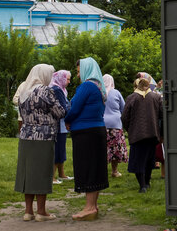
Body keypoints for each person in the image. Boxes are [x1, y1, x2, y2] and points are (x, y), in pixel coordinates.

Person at [14, 64, 66, 222]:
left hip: (25, 136)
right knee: (42, 173)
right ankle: (41, 212)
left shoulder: (24, 91)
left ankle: (28, 211)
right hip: (43, 137)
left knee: (27, 173)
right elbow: (60, 112)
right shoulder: (45, 91)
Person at [64, 57, 108, 221]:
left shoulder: (87, 86)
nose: (77, 75)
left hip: (86, 133)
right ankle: (93, 206)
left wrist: (67, 119)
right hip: (96, 131)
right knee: (95, 168)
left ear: (86, 70)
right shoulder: (98, 86)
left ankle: (89, 208)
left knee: (88, 168)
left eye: (78, 71)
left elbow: (75, 108)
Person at [122, 77, 163, 193]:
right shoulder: (156, 97)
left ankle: (142, 185)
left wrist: (129, 129)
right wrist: (160, 132)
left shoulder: (131, 98)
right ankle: (147, 182)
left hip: (137, 135)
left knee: (138, 160)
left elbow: (124, 117)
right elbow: (162, 115)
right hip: (152, 133)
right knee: (150, 159)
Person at [49, 70, 72, 184]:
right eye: (67, 79)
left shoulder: (62, 89)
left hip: (62, 124)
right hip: (58, 124)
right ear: (61, 79)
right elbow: (64, 107)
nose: (68, 82)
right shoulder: (57, 89)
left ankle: (61, 174)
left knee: (61, 150)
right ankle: (52, 177)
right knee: (58, 151)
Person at [103, 74, 128, 178]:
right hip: (115, 124)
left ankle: (102, 172)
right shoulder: (116, 92)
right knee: (115, 148)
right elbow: (124, 108)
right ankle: (114, 171)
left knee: (103, 148)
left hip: (102, 124)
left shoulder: (100, 93)